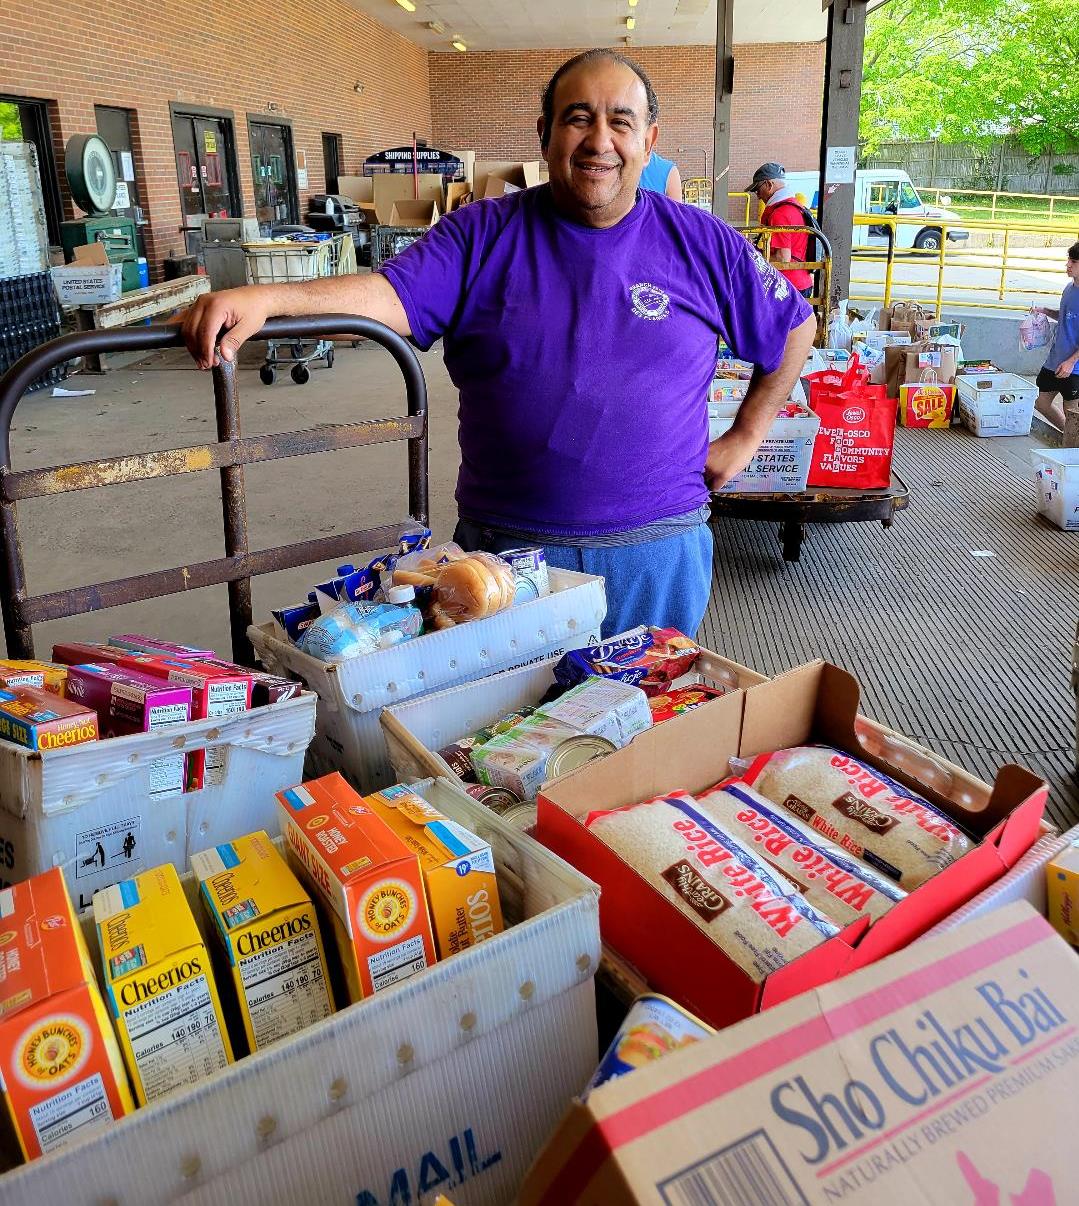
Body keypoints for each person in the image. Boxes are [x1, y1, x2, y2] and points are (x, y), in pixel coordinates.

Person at [181, 49, 816, 640]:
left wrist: (747, 435)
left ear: (649, 141)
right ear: (545, 135)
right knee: (499, 741)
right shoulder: (481, 234)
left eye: (621, 121)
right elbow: (388, 295)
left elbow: (795, 326)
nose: (599, 140)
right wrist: (269, 298)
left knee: (648, 729)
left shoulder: (703, 243)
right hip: (506, 553)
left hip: (658, 549)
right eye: (578, 119)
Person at [746, 162, 814, 299]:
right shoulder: (795, 206)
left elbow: (782, 258)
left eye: (758, 190)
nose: (758, 196)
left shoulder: (780, 213)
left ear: (769, 185)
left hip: (788, 286)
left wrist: (752, 258)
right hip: (800, 282)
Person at [1032, 241, 1079, 433]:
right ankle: (1067, 438)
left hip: (1074, 367)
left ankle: (1071, 448)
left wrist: (1071, 362)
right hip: (1055, 360)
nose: (1067, 265)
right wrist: (1043, 311)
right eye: (1068, 260)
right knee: (1041, 402)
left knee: (1072, 414)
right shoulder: (1069, 288)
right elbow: (1065, 314)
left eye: (1074, 261)